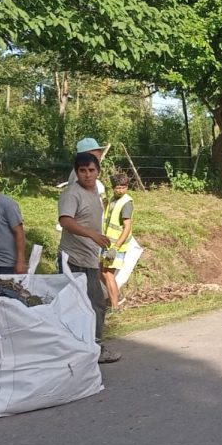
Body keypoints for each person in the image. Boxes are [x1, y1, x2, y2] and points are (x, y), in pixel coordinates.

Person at [59, 152, 120, 363]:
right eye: (82, 171)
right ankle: (94, 348)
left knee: (90, 303)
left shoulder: (95, 191)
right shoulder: (71, 194)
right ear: (76, 173)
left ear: (98, 172)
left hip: (89, 256)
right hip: (74, 259)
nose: (87, 175)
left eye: (91, 170)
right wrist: (92, 234)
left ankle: (83, 347)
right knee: (94, 303)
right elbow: (66, 221)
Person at [100, 174, 134, 310]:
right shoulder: (114, 199)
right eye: (118, 188)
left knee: (108, 273)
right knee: (101, 271)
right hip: (108, 243)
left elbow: (127, 227)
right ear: (113, 188)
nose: (120, 190)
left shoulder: (126, 203)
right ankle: (116, 297)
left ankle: (115, 306)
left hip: (116, 246)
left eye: (123, 187)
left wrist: (116, 247)